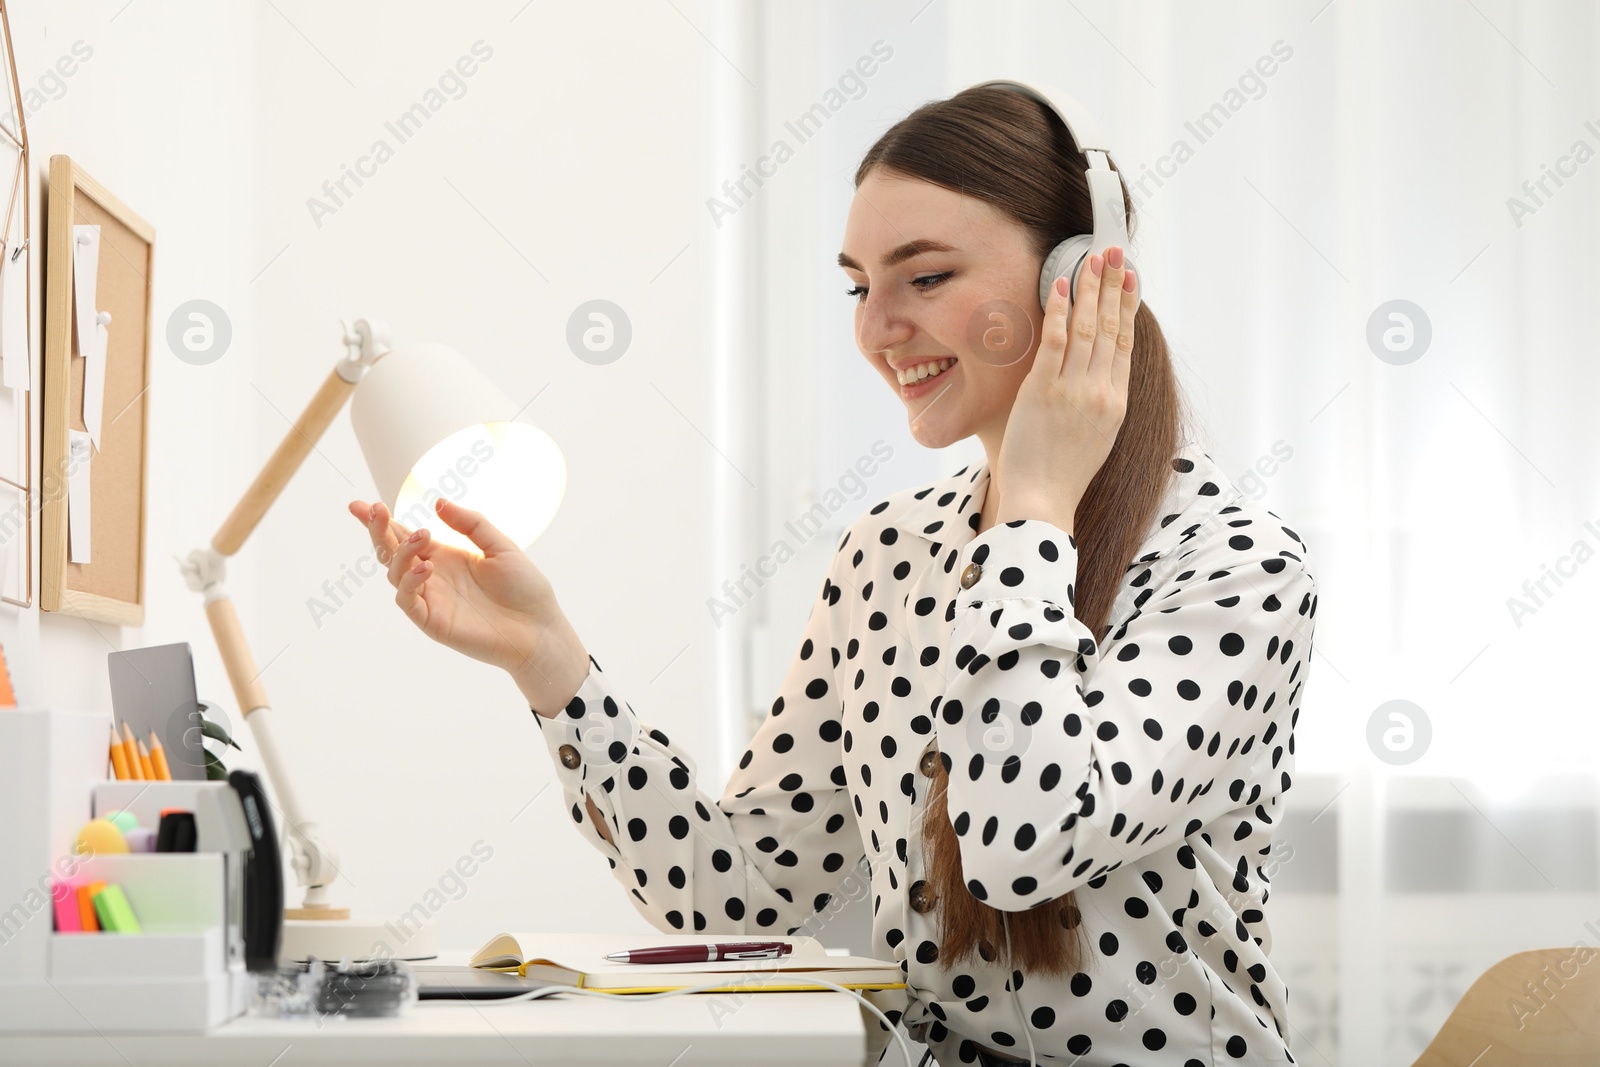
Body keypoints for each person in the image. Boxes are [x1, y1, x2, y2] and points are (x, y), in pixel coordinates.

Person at [350, 84, 1319, 1067]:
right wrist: (549, 661)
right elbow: (739, 891)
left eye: (926, 276)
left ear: (1075, 282)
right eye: (859, 286)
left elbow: (1023, 841)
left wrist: (1031, 506)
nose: (876, 329)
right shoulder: (889, 551)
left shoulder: (1237, 568)